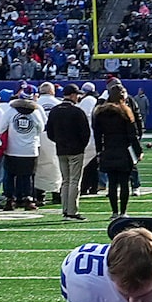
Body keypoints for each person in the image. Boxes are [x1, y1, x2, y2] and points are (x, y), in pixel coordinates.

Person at [93, 85, 142, 220]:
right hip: (123, 150)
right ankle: (123, 212)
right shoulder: (125, 112)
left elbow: (97, 135)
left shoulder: (100, 112)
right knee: (124, 182)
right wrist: (138, 151)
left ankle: (114, 212)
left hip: (108, 149)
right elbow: (133, 135)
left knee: (112, 183)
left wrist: (99, 151)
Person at [45, 86, 91, 221]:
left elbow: (50, 133)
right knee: (74, 181)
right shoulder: (77, 111)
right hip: (75, 150)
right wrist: (81, 145)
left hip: (61, 149)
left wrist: (59, 142)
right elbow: (85, 133)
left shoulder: (54, 111)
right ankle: (72, 211)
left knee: (65, 181)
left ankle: (65, 210)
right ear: (72, 95)